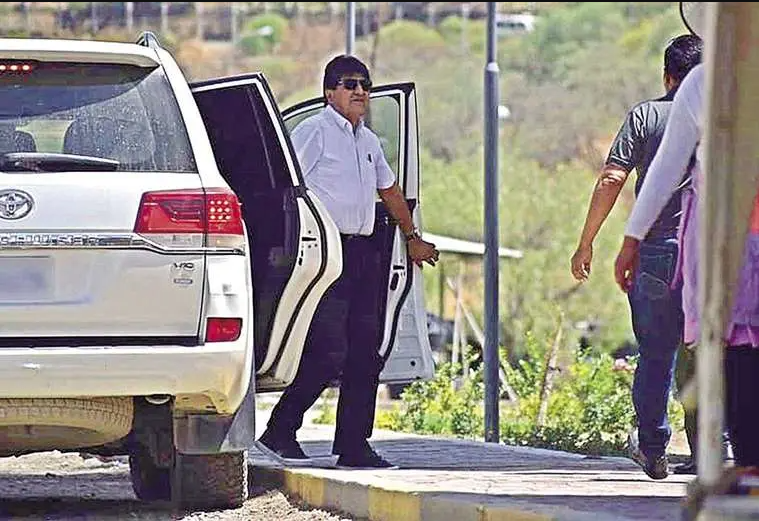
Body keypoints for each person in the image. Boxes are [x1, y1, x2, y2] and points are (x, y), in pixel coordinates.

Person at [257, 55, 439, 469]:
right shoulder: (314, 132)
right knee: (328, 350)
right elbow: (287, 187)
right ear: (329, 92)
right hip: (326, 252)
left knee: (365, 350)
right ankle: (280, 430)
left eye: (365, 84)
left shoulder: (368, 140)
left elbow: (390, 193)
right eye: (350, 83)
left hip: (365, 253)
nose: (360, 91)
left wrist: (412, 238)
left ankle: (354, 447)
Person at [614, 62, 759, 473]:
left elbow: (662, 170)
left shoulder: (701, 84)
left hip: (715, 245)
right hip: (718, 244)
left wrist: (631, 239)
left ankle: (724, 459)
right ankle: (721, 454)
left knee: (696, 350)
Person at [570, 34, 703, 480]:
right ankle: (707, 451)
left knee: (656, 353)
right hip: (709, 254)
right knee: (706, 352)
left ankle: (652, 447)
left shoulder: (647, 115)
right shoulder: (723, 121)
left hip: (655, 253)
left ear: (667, 76)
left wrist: (587, 241)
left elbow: (611, 178)